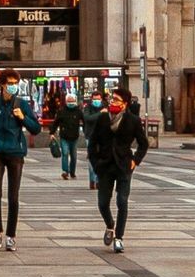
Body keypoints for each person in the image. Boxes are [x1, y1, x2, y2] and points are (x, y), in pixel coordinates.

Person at [87, 86, 148, 251]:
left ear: (125, 104)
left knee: (122, 201)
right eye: (111, 99)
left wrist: (135, 161)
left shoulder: (133, 120)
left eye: (116, 100)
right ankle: (110, 225)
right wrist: (95, 163)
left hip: (124, 165)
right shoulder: (102, 118)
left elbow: (143, 143)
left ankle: (119, 237)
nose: (112, 102)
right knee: (102, 203)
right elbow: (92, 144)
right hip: (105, 166)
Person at [0, 75, 36, 252]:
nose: (13, 86)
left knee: (13, 197)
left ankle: (11, 236)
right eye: (10, 83)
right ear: (2, 84)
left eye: (15, 84)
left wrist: (23, 118)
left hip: (16, 153)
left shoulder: (21, 104)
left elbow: (36, 127)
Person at [54, 92, 84, 181]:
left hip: (74, 136)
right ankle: (65, 171)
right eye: (69, 101)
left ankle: (72, 172)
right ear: (66, 102)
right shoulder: (62, 111)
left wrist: (87, 131)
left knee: (74, 156)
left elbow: (84, 121)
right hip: (64, 136)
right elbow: (56, 122)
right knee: (65, 153)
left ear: (75, 101)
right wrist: (52, 132)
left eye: (72, 101)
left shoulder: (78, 111)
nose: (71, 102)